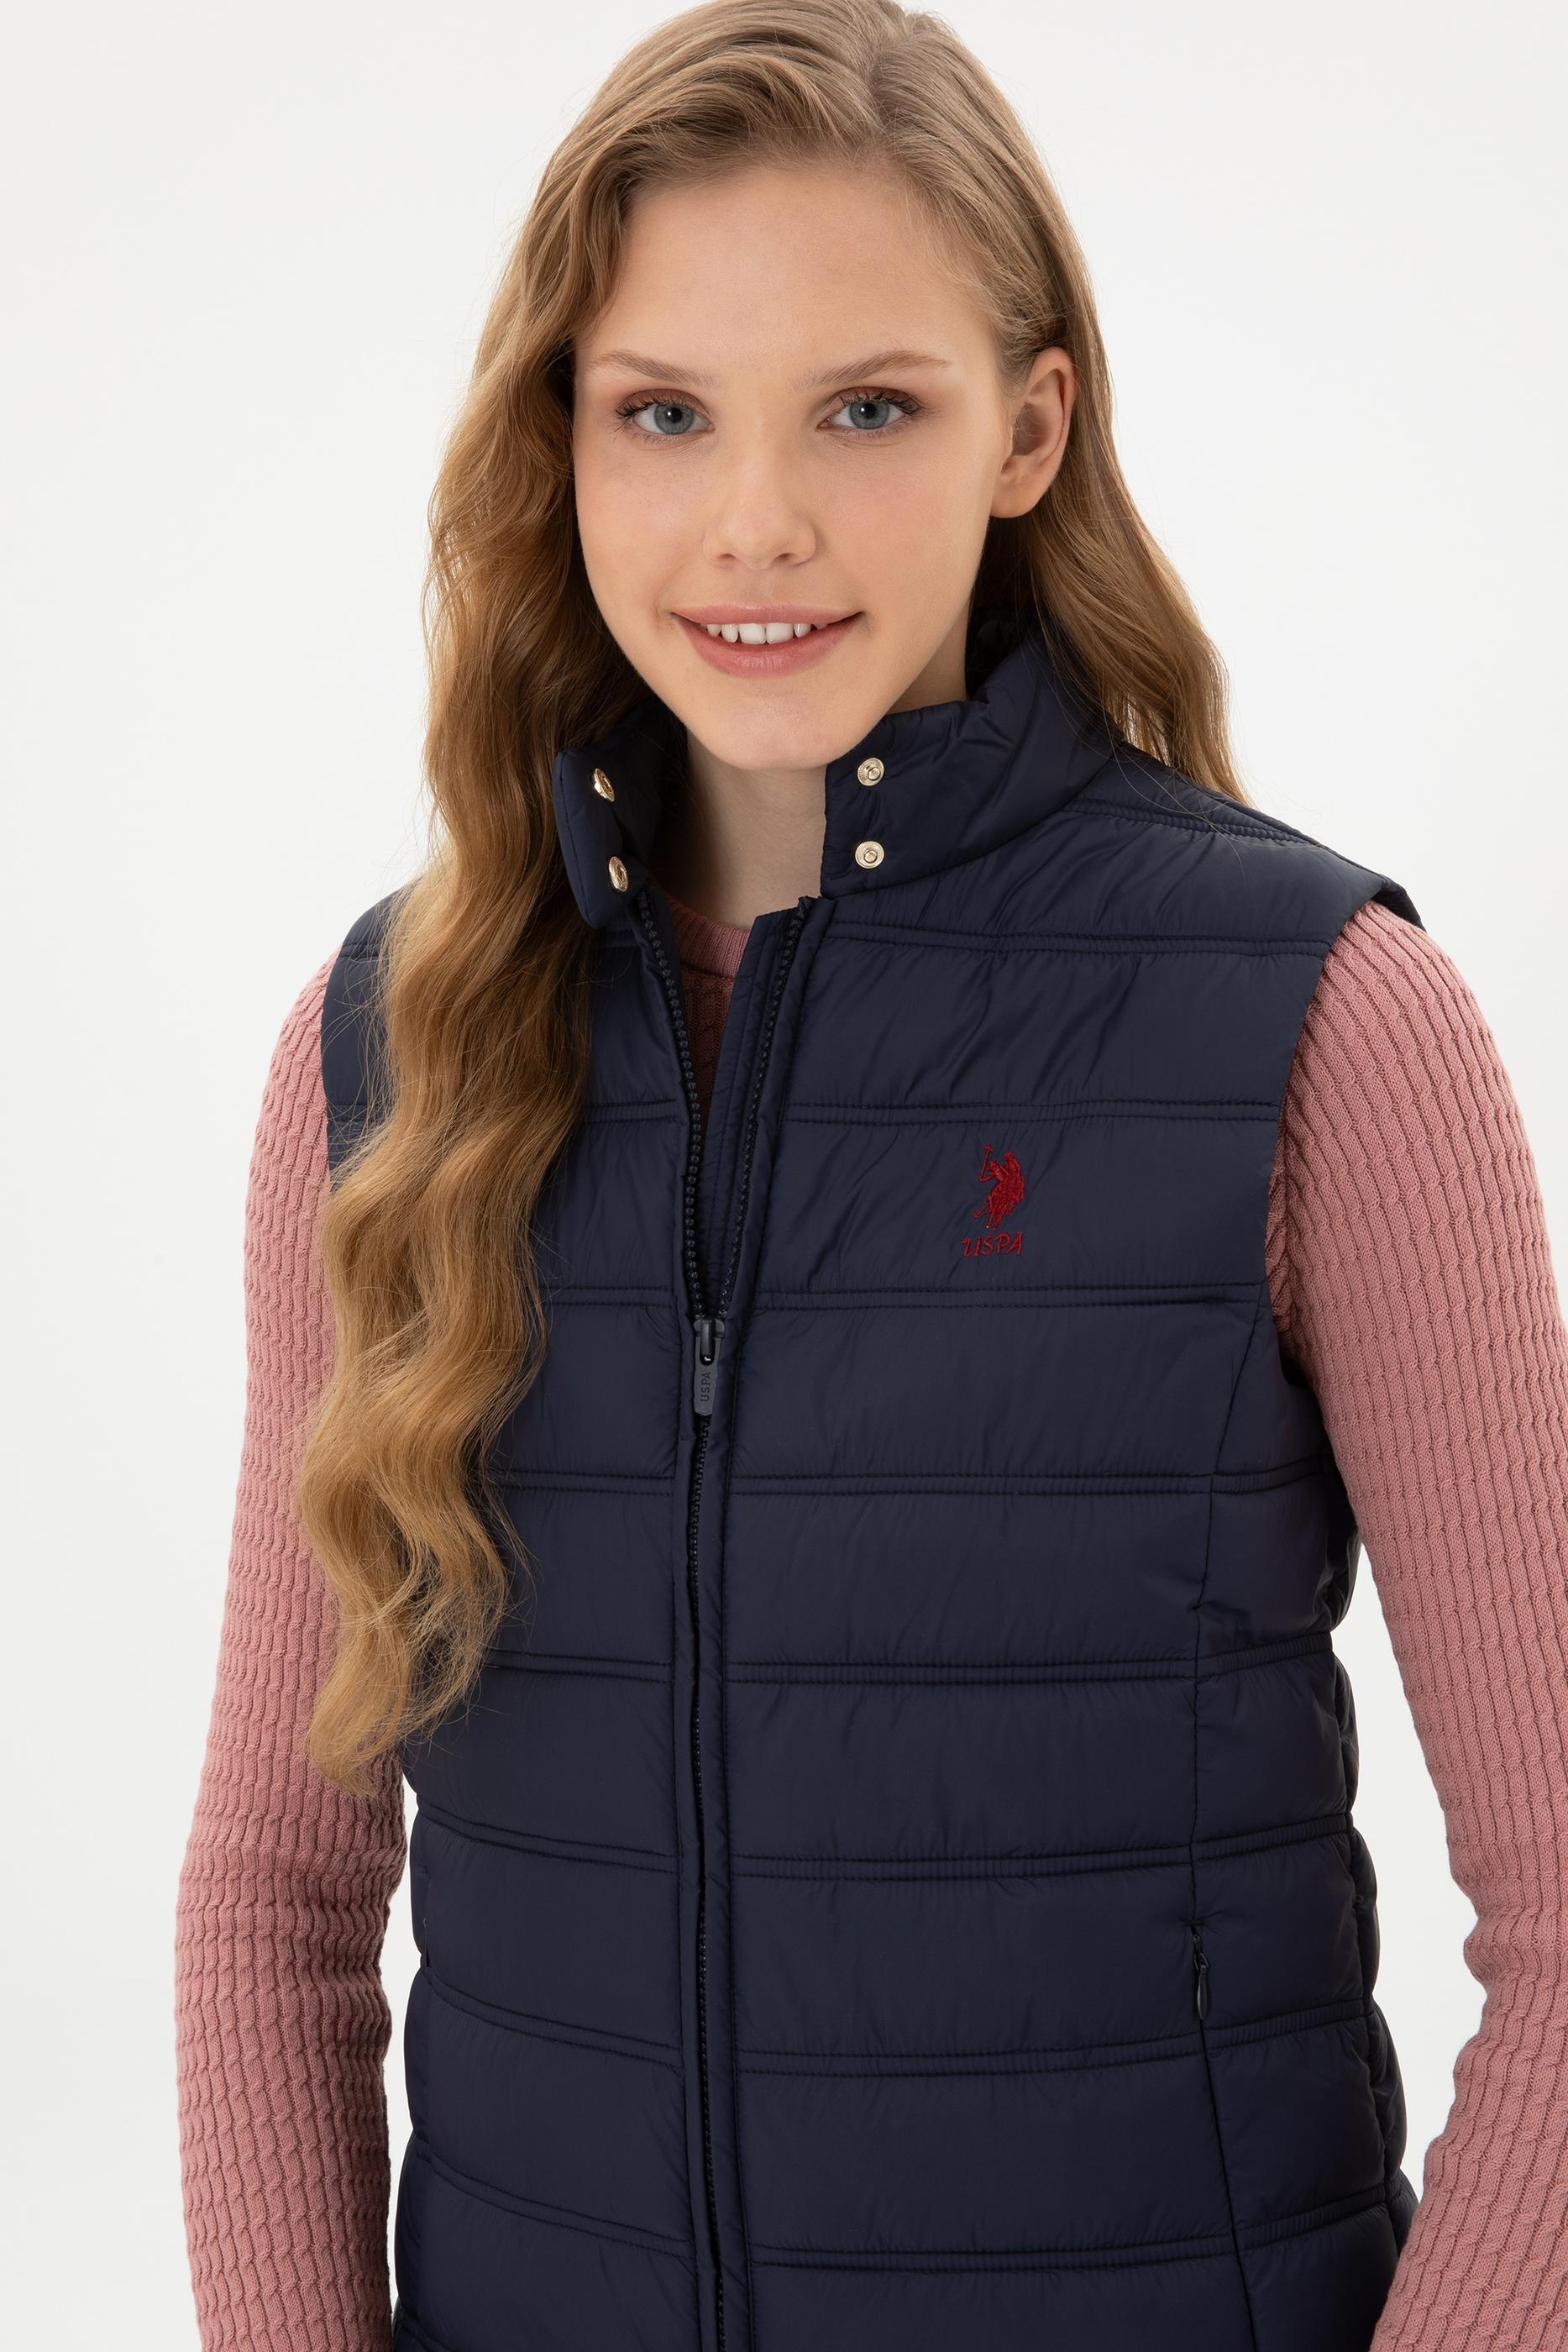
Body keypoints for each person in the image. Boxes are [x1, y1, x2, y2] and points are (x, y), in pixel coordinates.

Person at [173, 3, 1568, 2347]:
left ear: (1029, 428)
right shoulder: (392, 1050)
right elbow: (275, 1904)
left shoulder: (1316, 1024)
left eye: (867, 409)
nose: (757, 522)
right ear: (560, 438)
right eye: (663, 412)